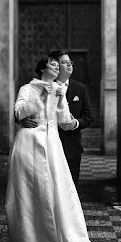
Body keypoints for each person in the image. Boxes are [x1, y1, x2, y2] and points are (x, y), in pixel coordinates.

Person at [6, 56, 121, 242]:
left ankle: (56, 239)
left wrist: (61, 99)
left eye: (57, 65)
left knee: (56, 191)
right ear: (42, 68)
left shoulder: (59, 90)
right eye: (52, 64)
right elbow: (18, 111)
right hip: (29, 144)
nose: (57, 67)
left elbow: (64, 120)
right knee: (30, 192)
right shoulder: (28, 88)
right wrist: (40, 96)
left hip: (52, 144)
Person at [49, 49, 93, 186]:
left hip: (72, 147)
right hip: (50, 145)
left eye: (70, 62)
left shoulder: (80, 88)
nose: (69, 65)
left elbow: (89, 117)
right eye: (64, 62)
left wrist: (76, 123)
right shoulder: (45, 86)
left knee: (71, 186)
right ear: (55, 65)